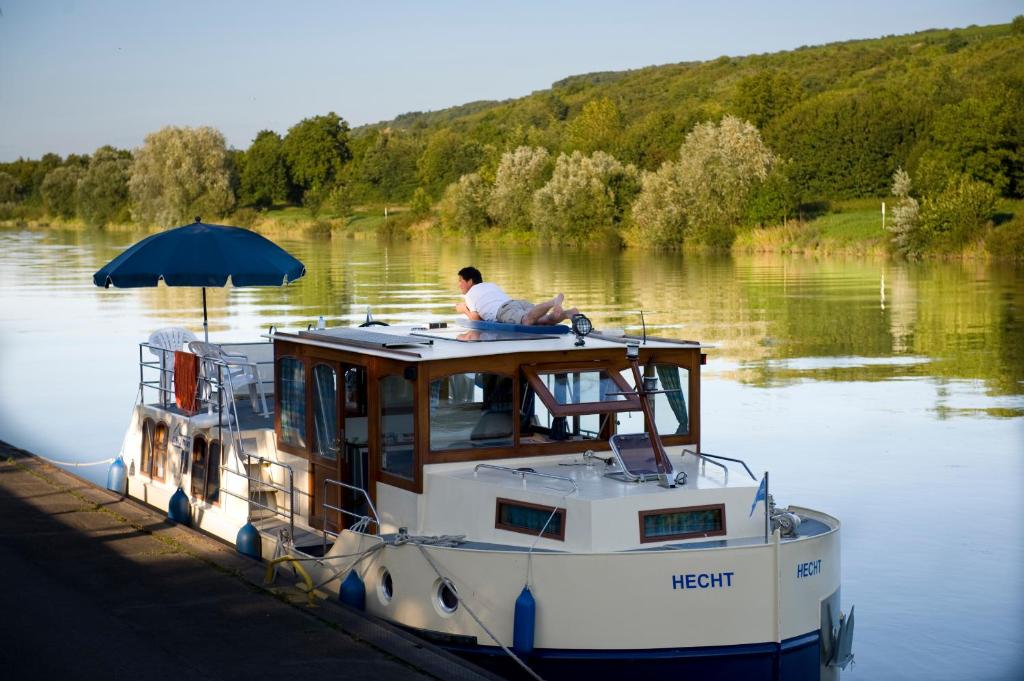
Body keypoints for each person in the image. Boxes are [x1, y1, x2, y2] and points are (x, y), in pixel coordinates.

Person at [455, 266, 578, 325]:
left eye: (460, 281)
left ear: (470, 281)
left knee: (527, 320)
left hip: (504, 310)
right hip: (515, 304)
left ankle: (553, 301)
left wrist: (464, 310)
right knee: (544, 321)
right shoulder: (491, 285)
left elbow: (476, 319)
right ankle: (568, 313)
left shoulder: (470, 295)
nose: (459, 284)